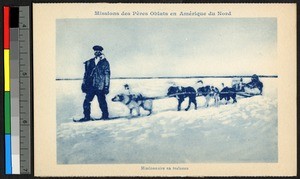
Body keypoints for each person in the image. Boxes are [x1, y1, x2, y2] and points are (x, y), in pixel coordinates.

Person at [80, 45, 111, 121]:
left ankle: (105, 116)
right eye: (95, 51)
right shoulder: (90, 61)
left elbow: (107, 75)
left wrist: (106, 87)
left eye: (98, 51)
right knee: (87, 101)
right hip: (91, 86)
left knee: (102, 102)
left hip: (100, 86)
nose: (97, 52)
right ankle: (86, 116)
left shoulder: (105, 62)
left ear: (101, 52)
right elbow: (86, 74)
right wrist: (84, 84)